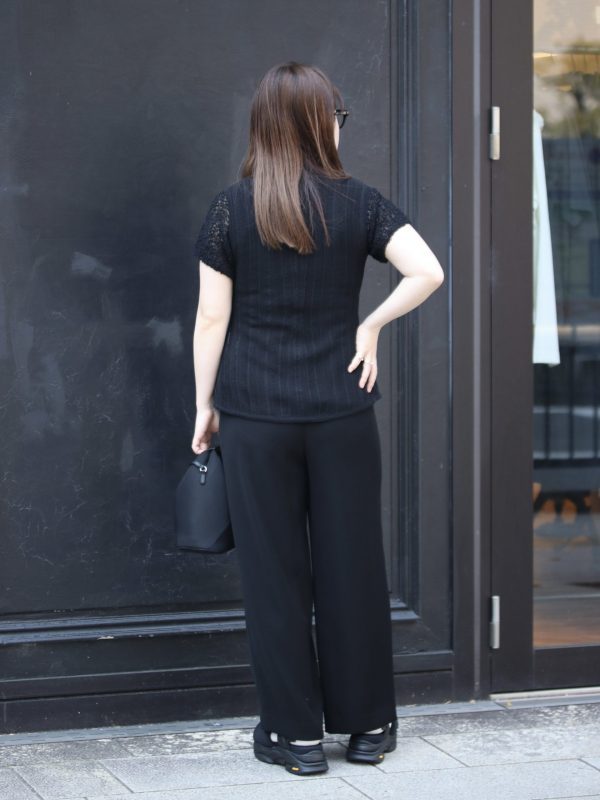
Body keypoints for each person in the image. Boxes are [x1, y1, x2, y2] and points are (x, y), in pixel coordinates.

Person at [190, 61, 444, 776]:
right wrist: (371, 327)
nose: (340, 126)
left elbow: (211, 318)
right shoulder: (361, 204)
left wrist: (204, 406)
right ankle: (368, 728)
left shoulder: (230, 209)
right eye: (338, 115)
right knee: (352, 567)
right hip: (341, 412)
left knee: (273, 575)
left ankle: (295, 738)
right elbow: (428, 271)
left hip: (254, 415)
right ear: (319, 122)